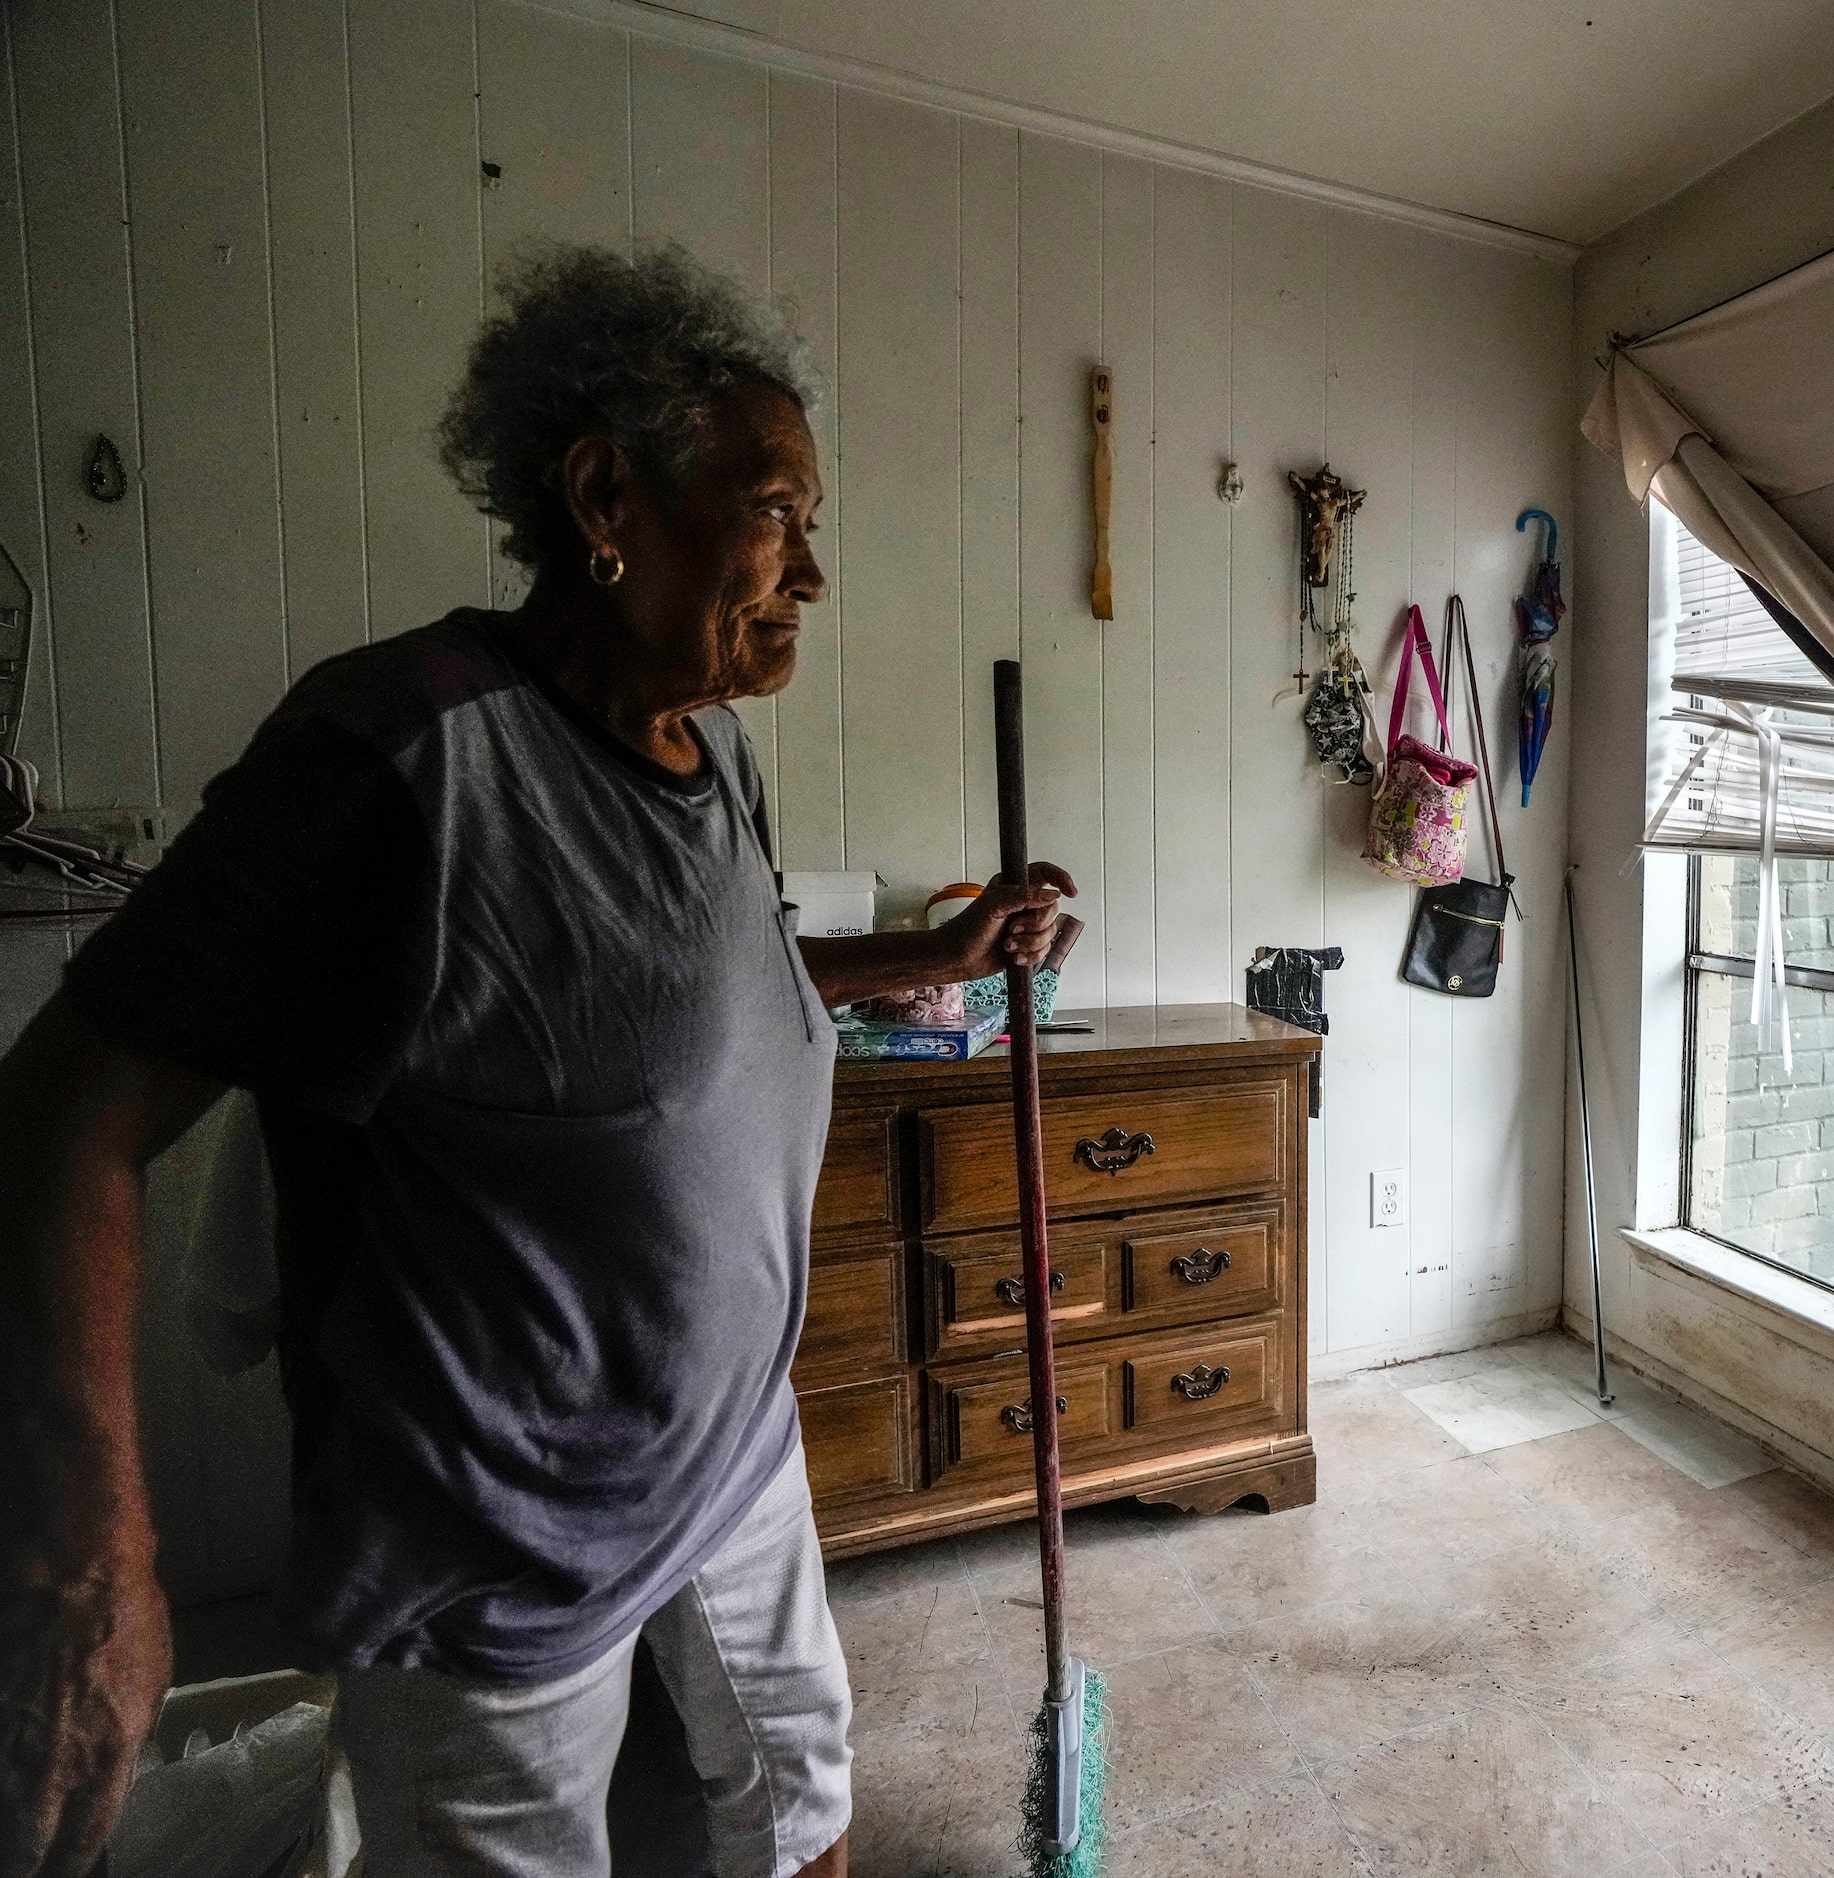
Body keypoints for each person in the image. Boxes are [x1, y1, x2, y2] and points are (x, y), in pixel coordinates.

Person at [0, 242, 1073, 1878]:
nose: (811, 568)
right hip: (491, 1531)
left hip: (727, 1452)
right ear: (605, 494)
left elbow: (720, 979)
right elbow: (67, 1107)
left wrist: (943, 951)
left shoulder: (708, 742)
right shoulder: (401, 752)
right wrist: (91, 1561)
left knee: (803, 1805)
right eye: (779, 507)